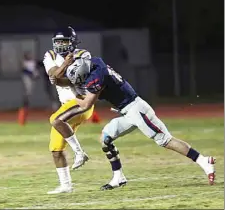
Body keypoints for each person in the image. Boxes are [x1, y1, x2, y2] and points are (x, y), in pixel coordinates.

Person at [65, 57, 216, 190]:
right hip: (126, 112)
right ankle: (119, 177)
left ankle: (203, 161)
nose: (81, 83)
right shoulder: (95, 63)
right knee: (105, 139)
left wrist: (69, 93)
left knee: (165, 140)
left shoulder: (97, 77)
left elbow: (85, 105)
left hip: (136, 110)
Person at [43, 26, 94, 194]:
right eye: (57, 42)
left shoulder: (83, 55)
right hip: (66, 105)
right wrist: (65, 64)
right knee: (56, 149)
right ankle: (66, 185)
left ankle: (80, 153)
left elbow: (70, 79)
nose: (60, 45)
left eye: (63, 41)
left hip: (82, 102)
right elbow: (54, 76)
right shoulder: (49, 55)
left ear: (72, 42)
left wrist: (60, 74)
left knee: (55, 120)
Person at [18, 52, 40, 125]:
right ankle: (25, 104)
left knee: (29, 92)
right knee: (27, 91)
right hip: (27, 77)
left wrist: (35, 74)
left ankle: (26, 104)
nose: (30, 56)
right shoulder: (24, 62)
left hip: (32, 77)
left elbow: (36, 69)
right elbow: (24, 70)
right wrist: (32, 74)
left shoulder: (33, 62)